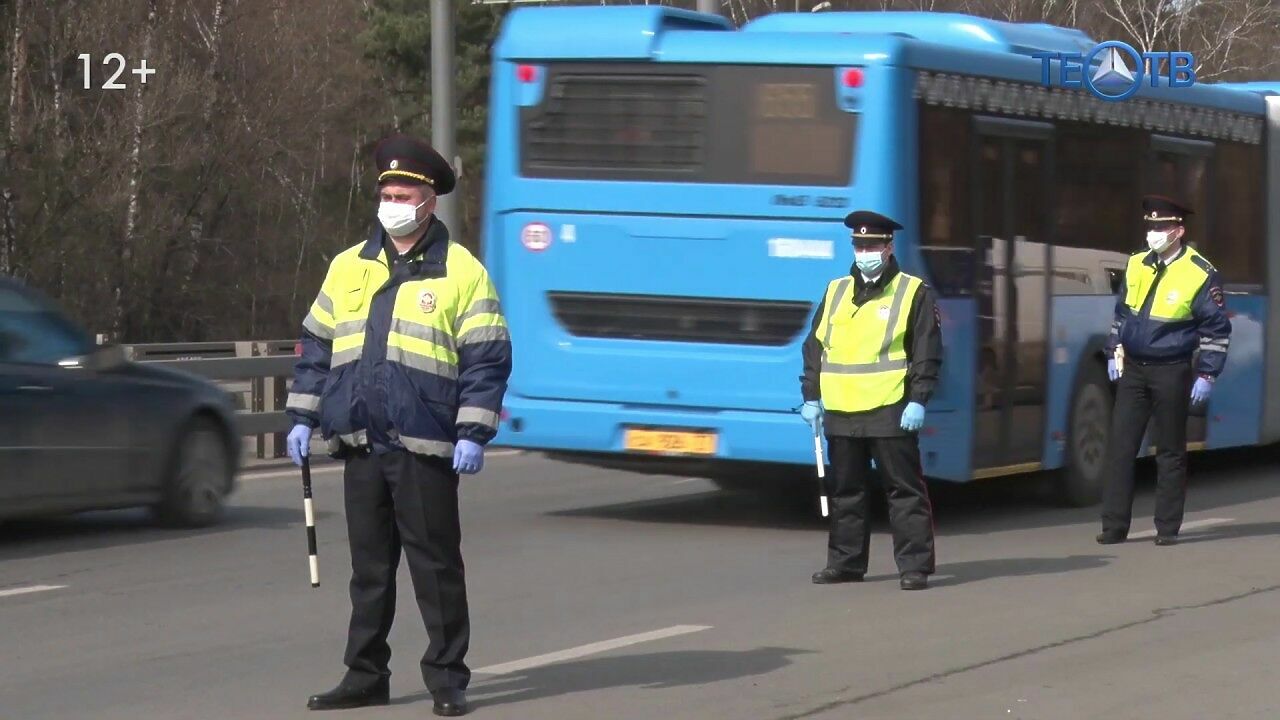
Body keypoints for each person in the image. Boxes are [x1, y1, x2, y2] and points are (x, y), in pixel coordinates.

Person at [284, 134, 512, 717]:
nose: (391, 201)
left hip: (424, 443)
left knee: (435, 568)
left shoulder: (460, 271)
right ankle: (365, 675)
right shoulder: (347, 267)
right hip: (362, 441)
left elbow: (486, 358)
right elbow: (317, 345)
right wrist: (303, 416)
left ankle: (447, 679)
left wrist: (472, 431)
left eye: (403, 192)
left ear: (428, 201)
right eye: (385, 191)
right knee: (369, 572)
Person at [799, 210, 943, 591]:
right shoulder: (835, 291)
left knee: (903, 490)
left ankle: (914, 566)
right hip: (842, 410)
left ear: (888, 247)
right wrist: (810, 396)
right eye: (860, 245)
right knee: (847, 490)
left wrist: (919, 399)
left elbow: (927, 351)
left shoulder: (913, 292)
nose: (866, 252)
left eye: (873, 245)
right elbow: (815, 348)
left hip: (890, 407)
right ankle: (845, 563)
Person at [1098, 195, 1230, 547]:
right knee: (1120, 447)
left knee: (1170, 450)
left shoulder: (1200, 272)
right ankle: (1113, 526)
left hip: (1172, 370)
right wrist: (1113, 350)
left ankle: (1167, 527)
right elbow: (1122, 313)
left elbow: (1216, 331)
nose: (1155, 233)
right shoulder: (1138, 262)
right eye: (1151, 226)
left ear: (1179, 231)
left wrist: (1207, 374)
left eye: (1162, 227)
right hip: (1135, 370)